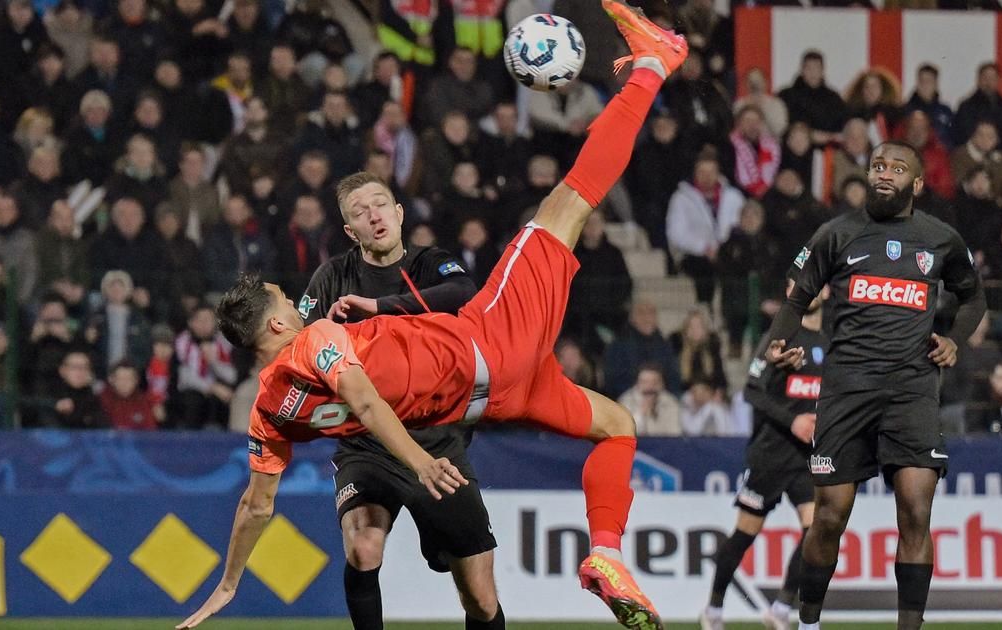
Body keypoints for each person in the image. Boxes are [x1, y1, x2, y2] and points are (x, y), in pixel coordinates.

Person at [178, 4, 688, 629]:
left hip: (491, 400)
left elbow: (256, 507)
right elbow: (363, 401)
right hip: (490, 348)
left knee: (617, 423)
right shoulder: (319, 343)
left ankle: (606, 554)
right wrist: (419, 464)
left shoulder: (265, 414)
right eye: (288, 303)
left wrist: (228, 582)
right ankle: (655, 66)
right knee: (568, 202)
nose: (299, 305)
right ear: (279, 327)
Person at [763, 140, 986, 630]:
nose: (885, 173)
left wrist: (954, 340)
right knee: (829, 515)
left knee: (914, 509)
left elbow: (974, 300)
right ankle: (808, 623)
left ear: (917, 183)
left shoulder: (941, 239)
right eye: (878, 165)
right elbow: (796, 299)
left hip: (912, 390)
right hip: (846, 390)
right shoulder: (835, 233)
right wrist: (776, 345)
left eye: (897, 167)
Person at [296, 163, 499, 629]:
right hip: (368, 444)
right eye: (360, 212)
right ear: (351, 230)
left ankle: (441, 539)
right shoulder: (331, 277)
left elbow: (463, 292)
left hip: (437, 442)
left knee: (481, 598)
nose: (374, 216)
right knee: (363, 548)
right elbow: (296, 345)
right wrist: (318, 336)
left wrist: (379, 309)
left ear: (400, 211)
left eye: (380, 204)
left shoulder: (431, 264)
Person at [702, 271, 829, 630]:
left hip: (806, 457)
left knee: (816, 529)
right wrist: (793, 422)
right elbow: (752, 392)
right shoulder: (780, 336)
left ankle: (782, 607)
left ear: (828, 290)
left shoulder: (832, 339)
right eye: (793, 285)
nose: (804, 290)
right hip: (771, 454)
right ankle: (713, 607)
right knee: (745, 534)